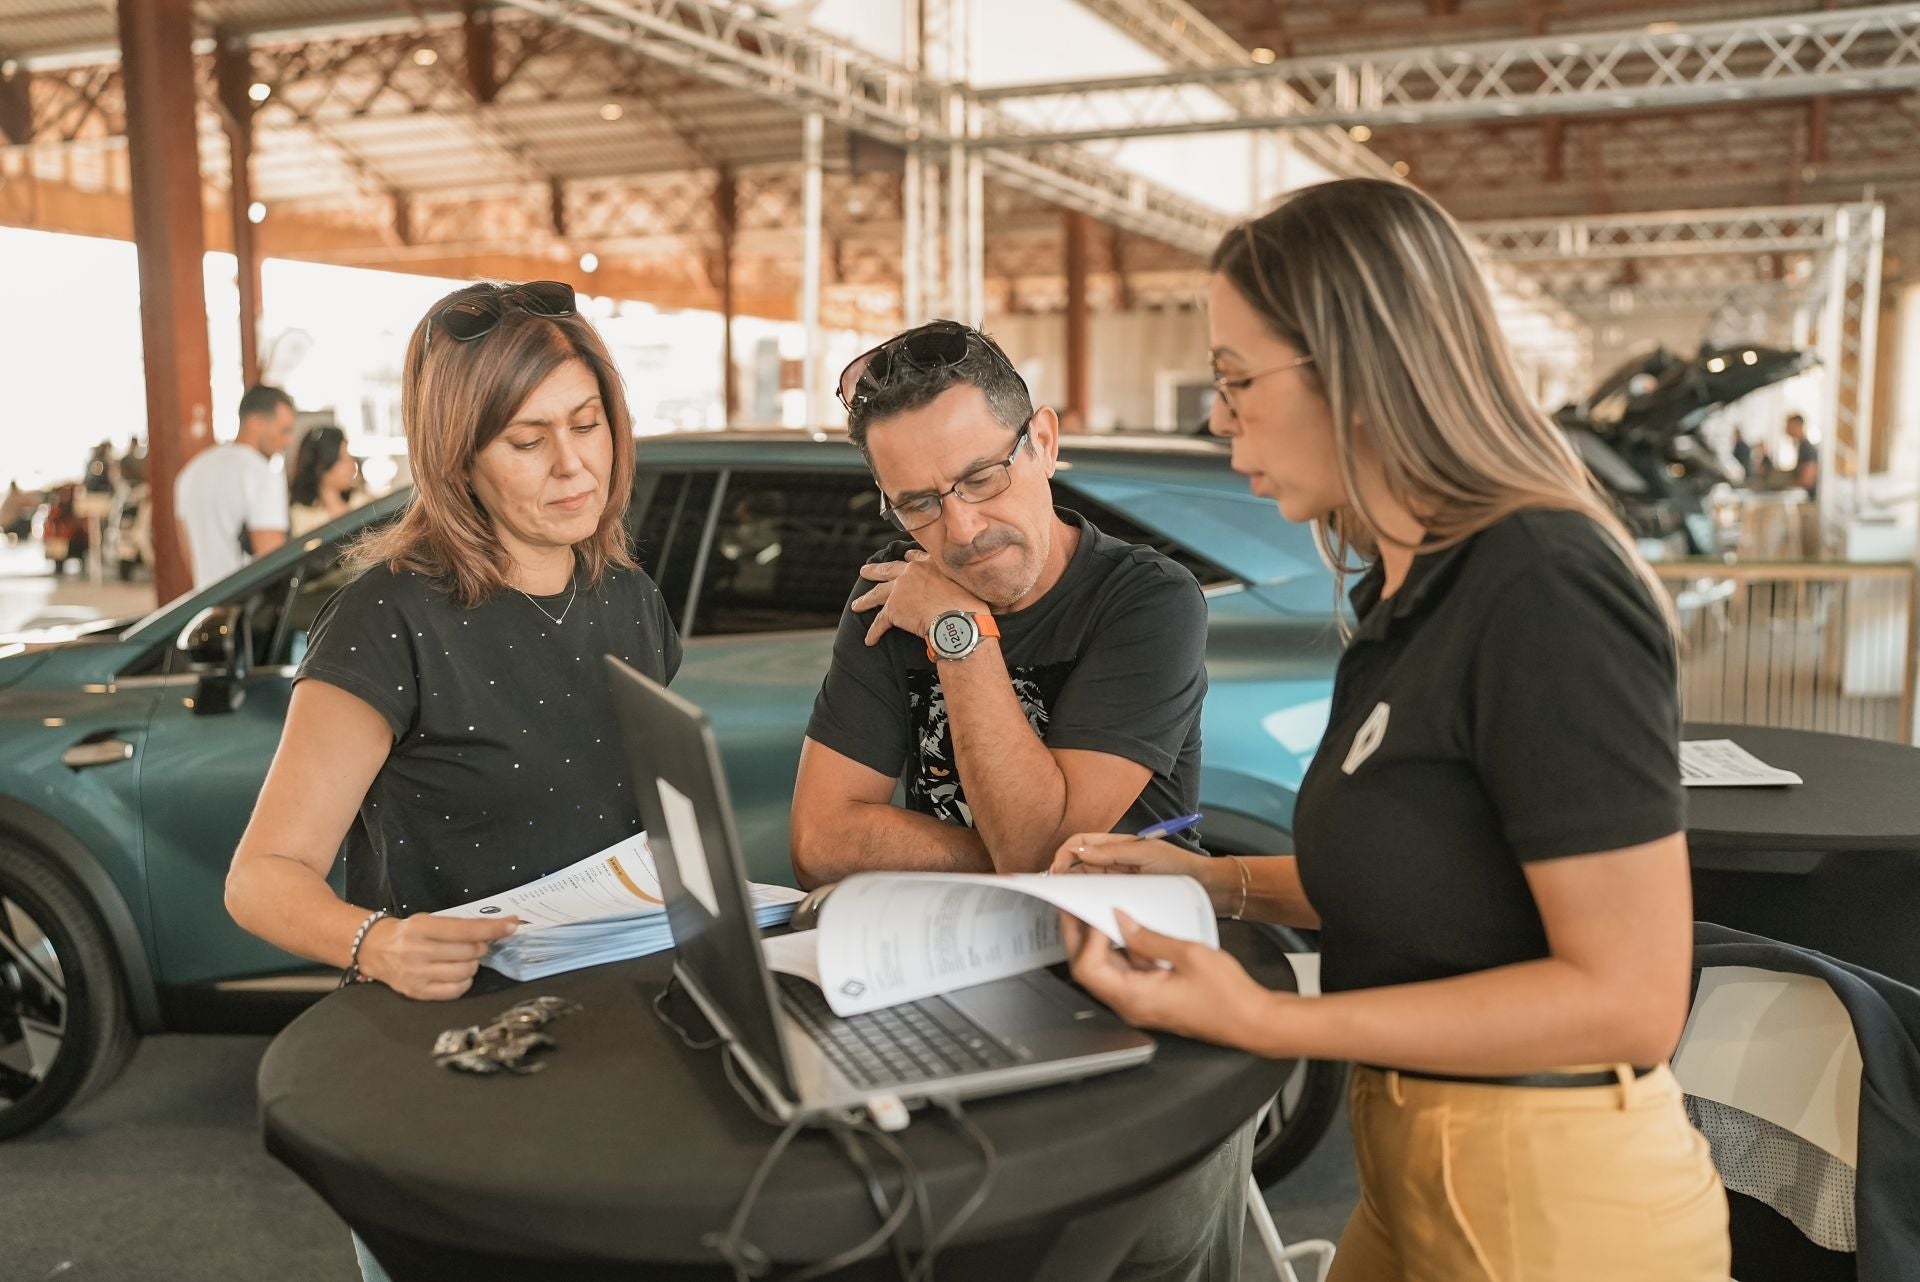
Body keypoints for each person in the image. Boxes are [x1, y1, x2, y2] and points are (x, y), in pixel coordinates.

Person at [1052, 179, 1728, 1282]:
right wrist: (1207, 879)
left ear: (1357, 368)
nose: (1218, 416)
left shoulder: (1542, 584)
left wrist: (1269, 1021)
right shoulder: (1402, 589)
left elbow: (1631, 1001)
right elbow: (1434, 887)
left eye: (1236, 380)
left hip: (1552, 1204)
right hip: (1419, 1168)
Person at [225, 281, 678, 1279]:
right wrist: (377, 942)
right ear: (458, 456)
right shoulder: (388, 619)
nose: (574, 463)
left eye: (588, 422)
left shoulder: (632, 600)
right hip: (454, 1055)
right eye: (527, 440)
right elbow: (262, 875)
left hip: (613, 1045)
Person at [789, 320, 1241, 1282]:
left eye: (982, 478)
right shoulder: (889, 597)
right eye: (917, 503)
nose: (959, 530)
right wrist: (1036, 864)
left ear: (1041, 440)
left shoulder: (1148, 602)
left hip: (1144, 1006)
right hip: (957, 985)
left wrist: (959, 630)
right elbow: (824, 840)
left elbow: (1039, 840)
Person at [174, 384, 296, 588]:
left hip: (205, 604)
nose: (288, 441)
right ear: (256, 423)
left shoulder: (193, 470)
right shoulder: (262, 474)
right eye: (284, 430)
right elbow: (271, 559)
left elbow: (187, 549)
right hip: (246, 606)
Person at [287, 424, 362, 536]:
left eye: (350, 457)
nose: (351, 466)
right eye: (341, 459)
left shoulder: (363, 503)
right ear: (321, 466)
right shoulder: (301, 516)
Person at [1783, 412, 1819, 499]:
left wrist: (1785, 487)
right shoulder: (1801, 447)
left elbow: (1807, 480)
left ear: (1798, 425)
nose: (1785, 428)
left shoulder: (1807, 448)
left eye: (1788, 425)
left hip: (1808, 499)